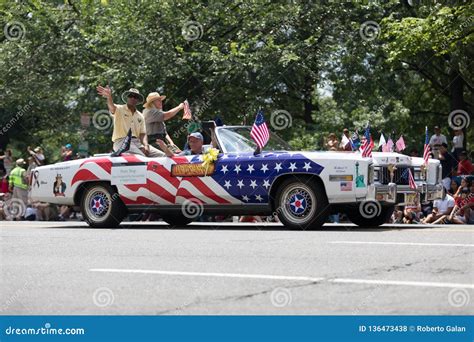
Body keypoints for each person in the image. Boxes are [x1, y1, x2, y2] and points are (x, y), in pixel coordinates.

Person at [96, 85, 165, 157]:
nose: (133, 98)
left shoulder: (140, 116)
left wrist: (146, 145)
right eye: (131, 96)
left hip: (137, 143)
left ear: (137, 100)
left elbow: (143, 134)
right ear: (127, 98)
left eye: (135, 97)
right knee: (141, 157)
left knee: (162, 156)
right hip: (121, 142)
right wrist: (109, 97)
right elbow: (111, 107)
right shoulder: (119, 109)